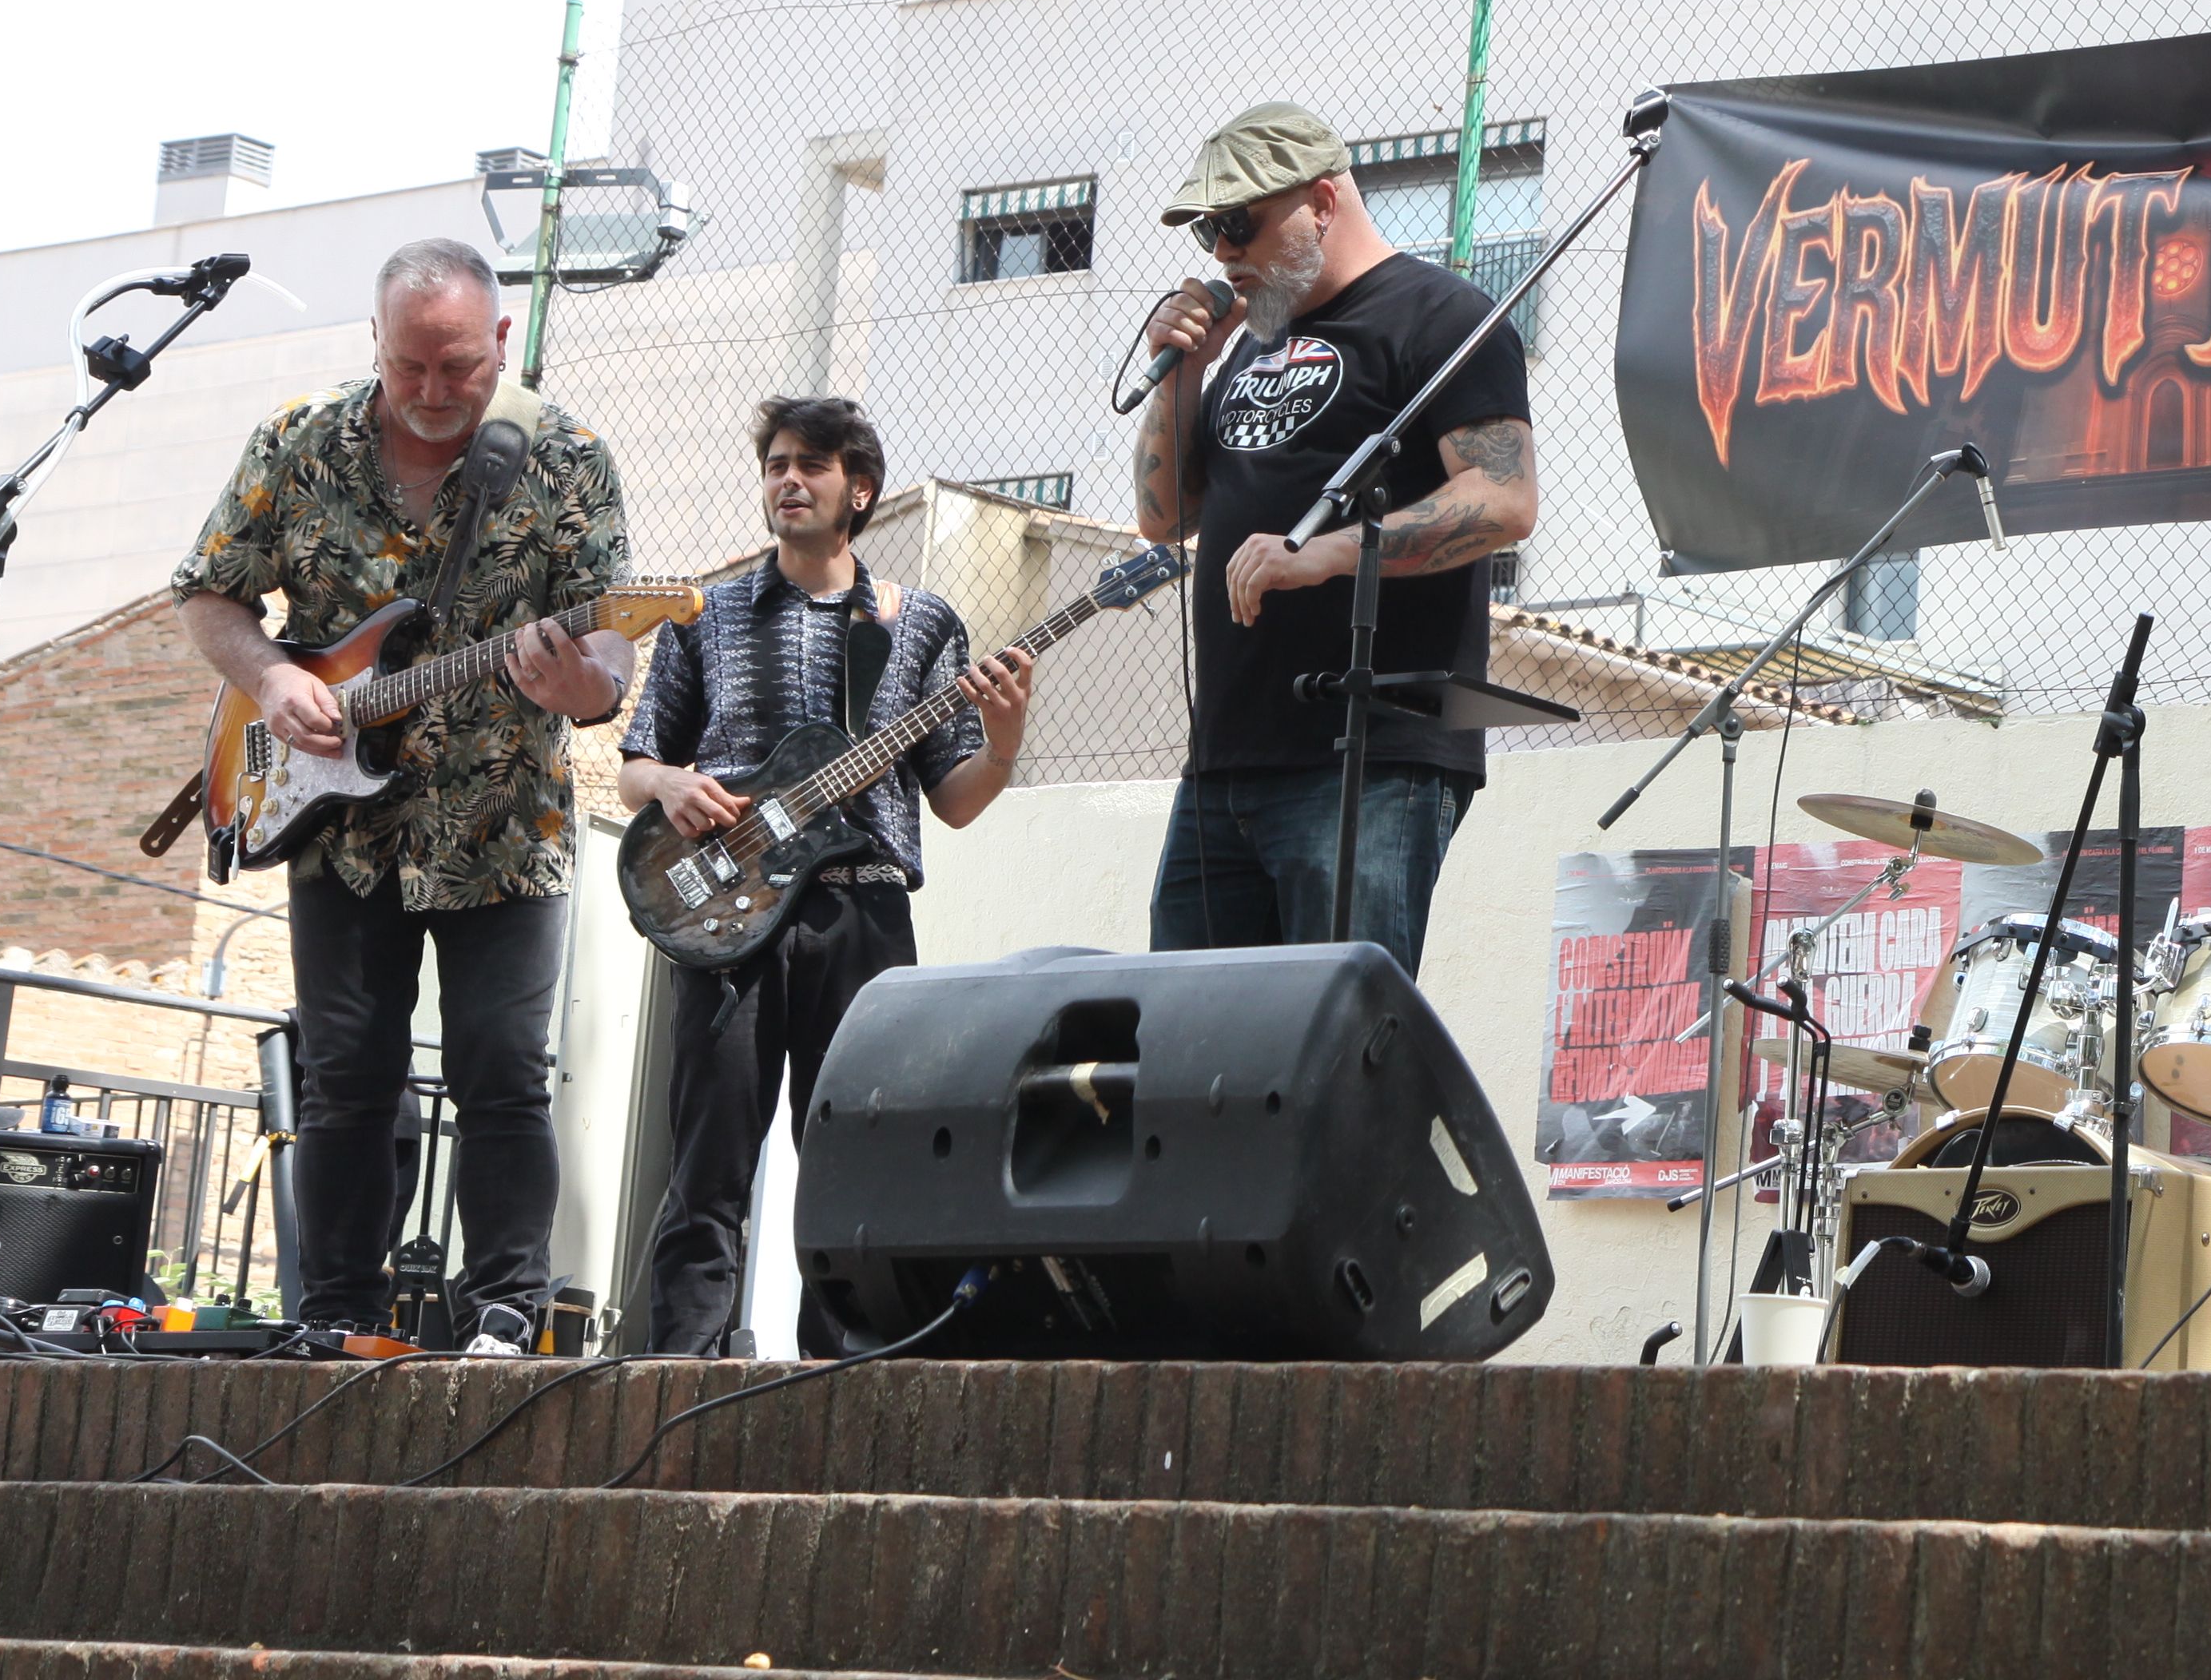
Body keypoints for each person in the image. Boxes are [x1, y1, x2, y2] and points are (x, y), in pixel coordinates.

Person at [172, 238, 630, 1352]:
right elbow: (209, 594)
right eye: (409, 366)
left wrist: (582, 686)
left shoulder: (567, 459)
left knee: (503, 1073)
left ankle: (505, 1314)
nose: (432, 394)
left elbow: (610, 649)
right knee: (346, 1077)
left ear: (502, 344)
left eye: (460, 368)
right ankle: (331, 1315)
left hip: (504, 829)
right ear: (372, 343)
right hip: (335, 822)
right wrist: (274, 677)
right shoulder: (298, 442)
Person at [618, 397, 1034, 1357]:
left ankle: (838, 1368)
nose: (788, 481)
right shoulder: (706, 615)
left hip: (865, 912)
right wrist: (674, 785)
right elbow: (638, 761)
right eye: (775, 465)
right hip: (725, 912)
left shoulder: (921, 624)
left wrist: (1004, 743)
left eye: (811, 465)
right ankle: (683, 1364)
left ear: (862, 489)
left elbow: (958, 799)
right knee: (710, 1150)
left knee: (851, 1149)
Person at [1130, 101, 1538, 975]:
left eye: (1238, 222)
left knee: (1333, 1051)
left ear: (1321, 201)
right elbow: (1165, 518)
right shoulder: (1250, 345)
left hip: (1367, 757)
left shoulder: (1439, 315)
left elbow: (1503, 500)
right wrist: (1186, 373)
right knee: (1190, 1044)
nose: (1220, 251)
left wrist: (1328, 553)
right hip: (1227, 760)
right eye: (1208, 229)